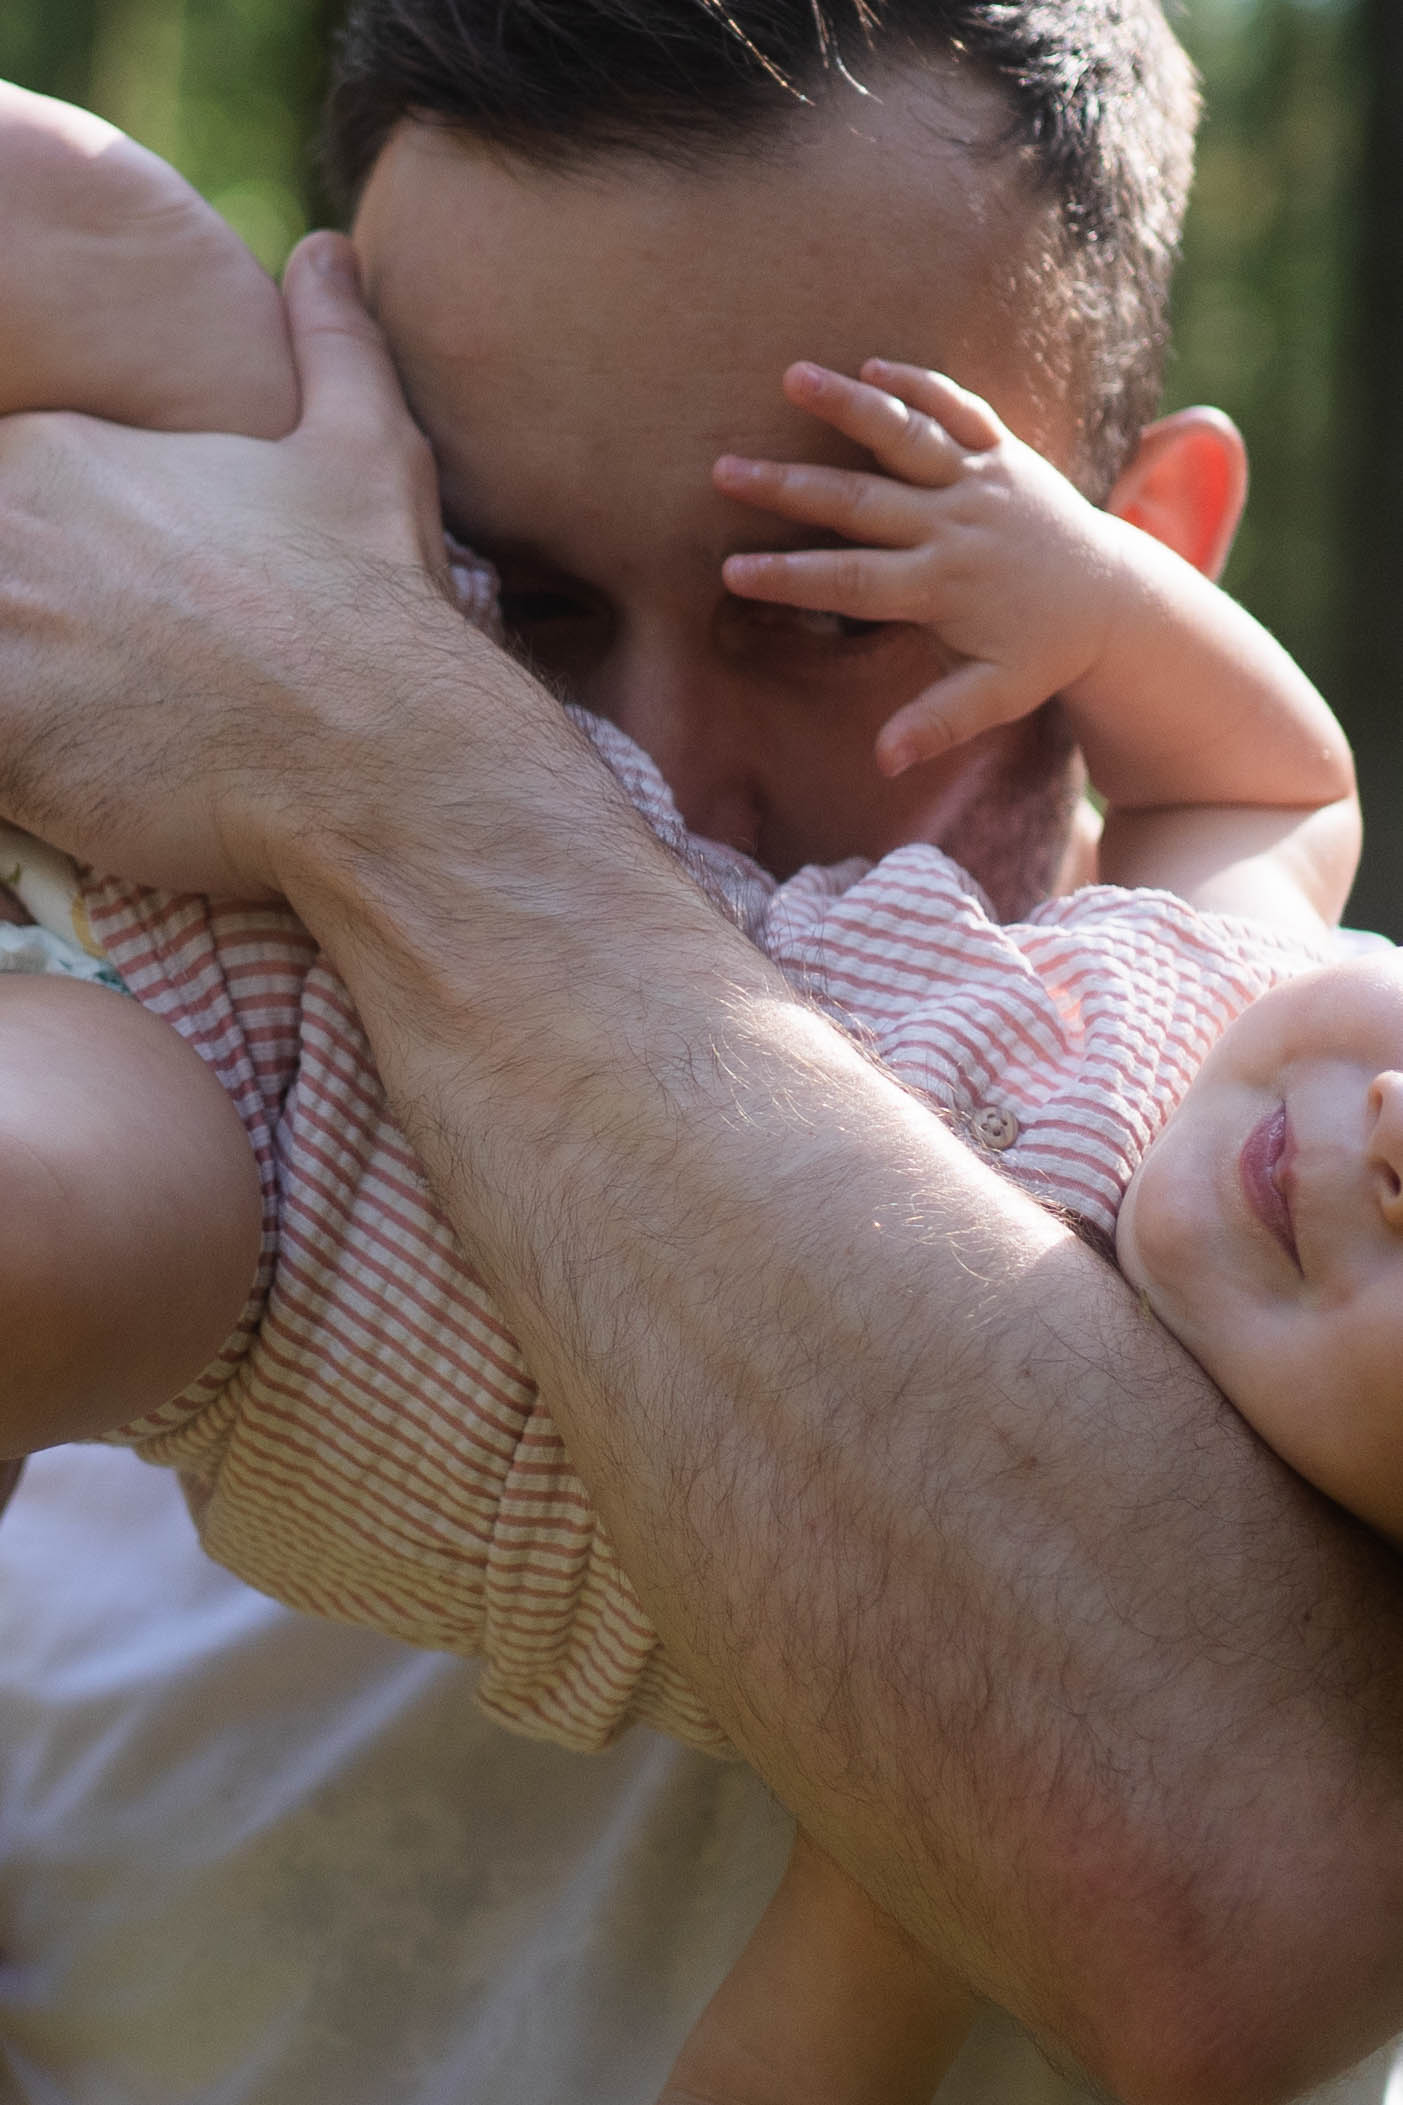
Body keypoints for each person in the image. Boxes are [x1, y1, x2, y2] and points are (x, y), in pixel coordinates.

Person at [5, 5, 1403, 2099]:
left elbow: (1219, 1928)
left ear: (1147, 558)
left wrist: (406, 749)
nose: (654, 783)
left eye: (833, 606)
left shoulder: (1314, 1229)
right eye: (509, 599)